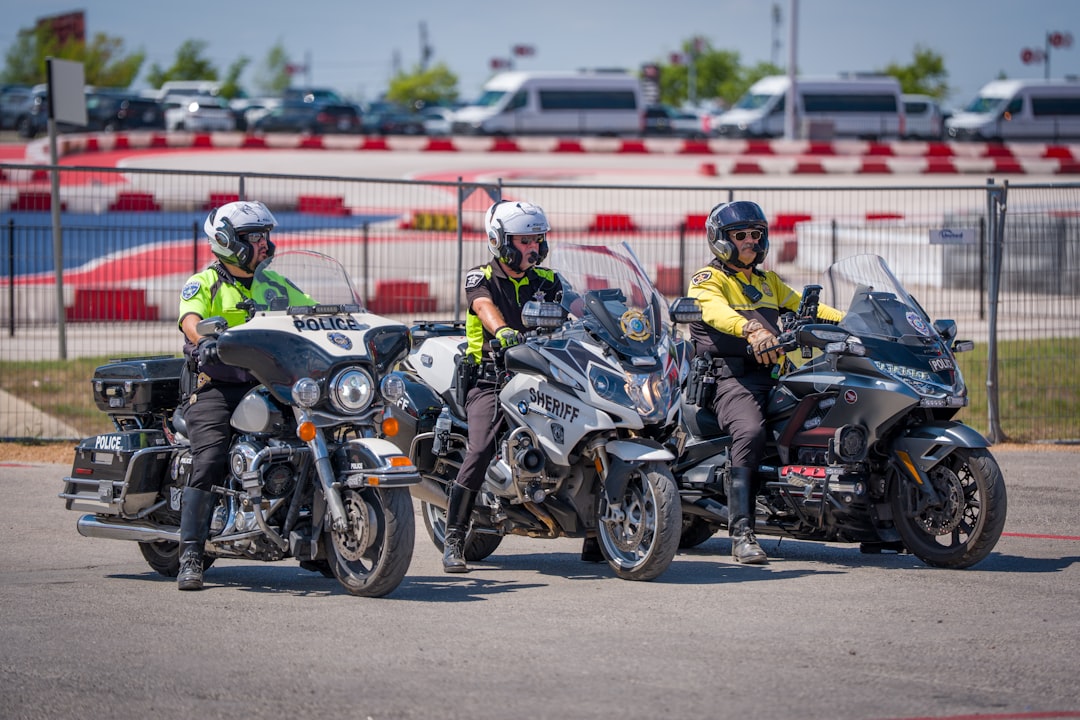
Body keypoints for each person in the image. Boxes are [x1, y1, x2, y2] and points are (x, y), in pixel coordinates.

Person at [686, 200, 843, 565]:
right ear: (721, 240)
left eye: (755, 235)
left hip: (773, 377)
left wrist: (859, 324)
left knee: (827, 412)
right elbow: (716, 313)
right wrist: (751, 328)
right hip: (729, 380)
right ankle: (741, 532)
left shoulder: (767, 281)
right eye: (740, 236)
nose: (750, 242)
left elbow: (811, 310)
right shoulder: (708, 281)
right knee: (751, 431)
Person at [441, 199, 570, 573]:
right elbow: (484, 307)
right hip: (492, 378)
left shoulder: (548, 281)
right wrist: (504, 332)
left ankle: (594, 532)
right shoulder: (479, 277)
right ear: (500, 241)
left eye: (537, 240)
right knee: (480, 448)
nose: (533, 248)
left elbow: (576, 309)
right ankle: (454, 538)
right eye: (524, 241)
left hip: (541, 376)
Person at [175, 200, 278, 591]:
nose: (266, 245)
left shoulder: (275, 285)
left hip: (266, 386)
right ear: (227, 242)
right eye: (255, 238)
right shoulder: (204, 283)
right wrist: (205, 340)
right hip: (216, 386)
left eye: (266, 236)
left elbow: (315, 312)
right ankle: (190, 554)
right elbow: (191, 321)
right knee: (212, 457)